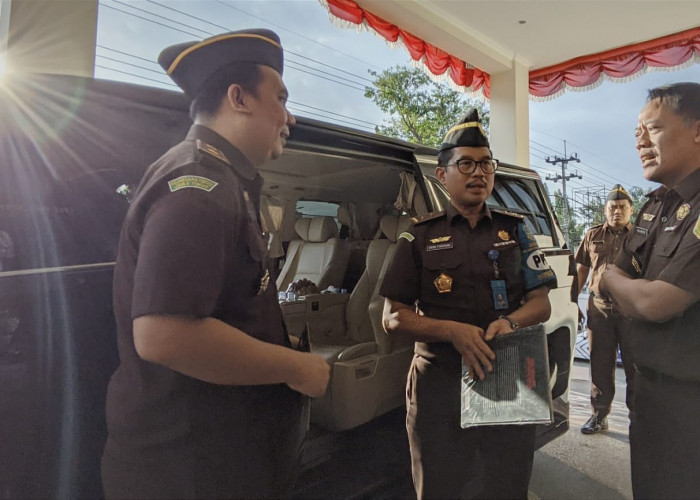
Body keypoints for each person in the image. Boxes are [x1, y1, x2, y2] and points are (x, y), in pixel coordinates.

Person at [101, 29, 330, 499]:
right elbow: (165, 333)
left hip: (212, 458)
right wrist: (296, 368)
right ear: (239, 97)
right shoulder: (199, 184)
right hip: (192, 470)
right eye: (281, 98)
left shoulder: (220, 179)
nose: (290, 116)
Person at [380, 109, 557, 499]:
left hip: (506, 374)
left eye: (486, 165)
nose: (479, 173)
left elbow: (540, 303)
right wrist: (451, 332)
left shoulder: (515, 230)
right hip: (439, 384)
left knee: (508, 484)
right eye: (466, 164)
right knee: (440, 487)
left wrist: (509, 323)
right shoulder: (420, 237)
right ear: (442, 174)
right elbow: (393, 317)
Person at [600, 82, 700, 499]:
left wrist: (608, 277)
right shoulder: (654, 206)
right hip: (647, 393)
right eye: (637, 131)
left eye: (653, 129)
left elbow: (656, 301)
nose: (639, 141)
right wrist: (618, 282)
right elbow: (626, 279)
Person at [574, 184, 636, 434]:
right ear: (605, 210)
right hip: (598, 309)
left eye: (622, 207)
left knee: (635, 366)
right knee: (600, 364)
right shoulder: (592, 235)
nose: (617, 212)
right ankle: (599, 415)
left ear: (631, 210)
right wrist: (572, 302)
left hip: (632, 310)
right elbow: (581, 271)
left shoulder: (640, 238)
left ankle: (638, 418)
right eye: (612, 207)